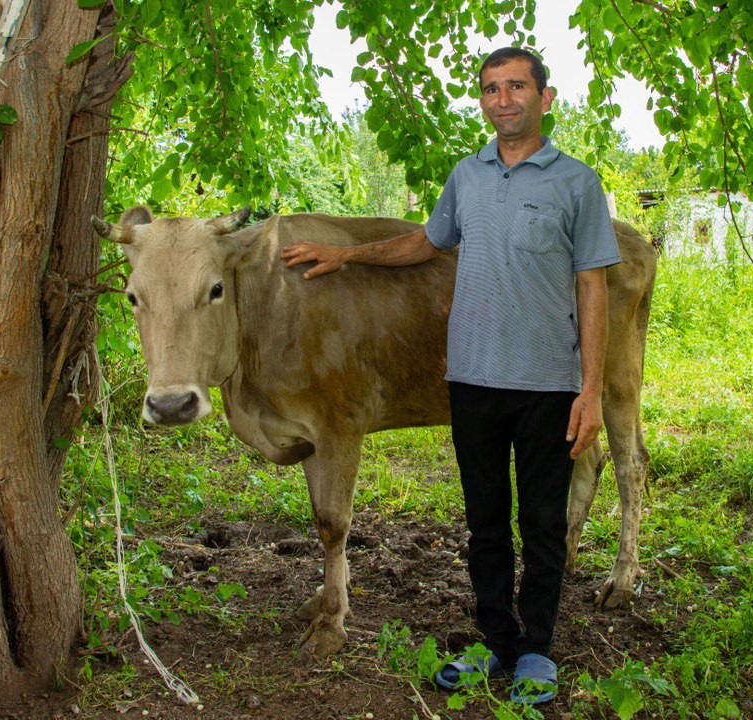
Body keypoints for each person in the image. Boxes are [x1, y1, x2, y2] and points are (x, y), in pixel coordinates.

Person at [281, 47, 620, 705]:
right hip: (472, 380)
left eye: (516, 86)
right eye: (492, 89)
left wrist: (593, 388)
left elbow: (592, 284)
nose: (503, 99)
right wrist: (343, 254)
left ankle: (537, 651)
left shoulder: (577, 183)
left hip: (549, 381)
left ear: (545, 98)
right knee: (486, 523)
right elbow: (425, 243)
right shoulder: (467, 176)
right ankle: (496, 644)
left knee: (542, 523)